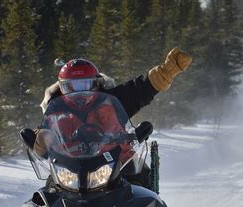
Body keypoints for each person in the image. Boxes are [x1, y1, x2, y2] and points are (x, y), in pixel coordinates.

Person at [33, 47, 192, 156]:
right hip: (70, 169)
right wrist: (40, 139)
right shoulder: (57, 110)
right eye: (72, 87)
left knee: (140, 183)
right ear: (62, 88)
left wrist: (165, 73)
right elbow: (44, 132)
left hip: (117, 161)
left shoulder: (111, 100)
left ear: (96, 84)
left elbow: (139, 90)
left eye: (86, 85)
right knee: (47, 193)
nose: (80, 93)